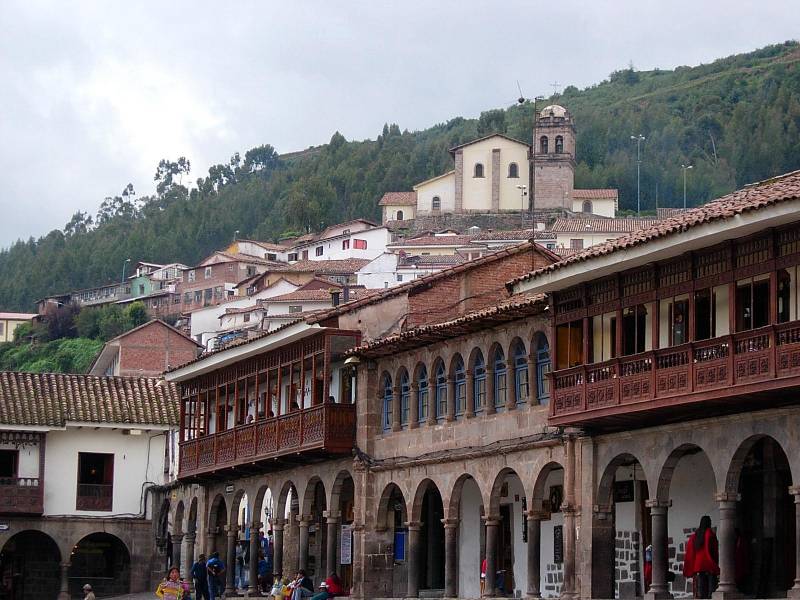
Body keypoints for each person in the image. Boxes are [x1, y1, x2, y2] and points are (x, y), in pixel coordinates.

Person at [683, 515, 720, 599]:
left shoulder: (695, 536)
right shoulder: (710, 534)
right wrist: (715, 562)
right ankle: (710, 596)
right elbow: (714, 549)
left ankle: (702, 596)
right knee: (711, 585)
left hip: (698, 564)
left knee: (701, 585)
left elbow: (691, 551)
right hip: (709, 562)